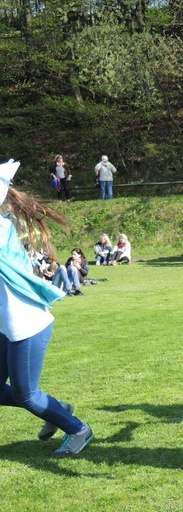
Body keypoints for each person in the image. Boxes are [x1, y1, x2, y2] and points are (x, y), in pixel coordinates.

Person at [0, 159, 94, 457]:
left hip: (26, 324)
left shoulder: (1, 231)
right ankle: (55, 409)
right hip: (7, 326)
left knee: (26, 395)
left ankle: (78, 428)